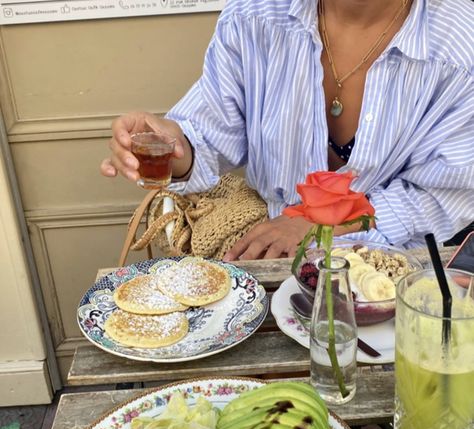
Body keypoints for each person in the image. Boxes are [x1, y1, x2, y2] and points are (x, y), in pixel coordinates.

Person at [101, 0, 474, 260]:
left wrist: (316, 224)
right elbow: (209, 136)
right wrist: (173, 145)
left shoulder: (461, 41)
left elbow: (446, 191)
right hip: (273, 260)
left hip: (403, 269)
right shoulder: (255, 13)